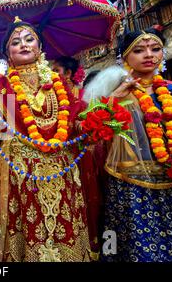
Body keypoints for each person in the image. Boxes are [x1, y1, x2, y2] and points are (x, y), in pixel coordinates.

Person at [0, 17, 92, 262]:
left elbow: (73, 121)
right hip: (22, 172)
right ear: (7, 53)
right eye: (15, 42)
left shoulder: (60, 84)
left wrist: (85, 124)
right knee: (30, 228)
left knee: (66, 224)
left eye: (30, 39)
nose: (23, 45)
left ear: (40, 47)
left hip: (61, 170)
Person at [86, 28, 172, 262]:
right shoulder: (111, 91)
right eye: (139, 50)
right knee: (137, 251)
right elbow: (92, 133)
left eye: (155, 49)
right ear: (124, 58)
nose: (148, 55)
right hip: (130, 186)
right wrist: (116, 98)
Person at [52, 57, 102, 258]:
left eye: (57, 70)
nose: (53, 74)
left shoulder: (84, 96)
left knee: (87, 199)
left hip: (81, 155)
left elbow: (93, 126)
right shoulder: (50, 97)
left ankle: (91, 244)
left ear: (69, 74)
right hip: (59, 157)